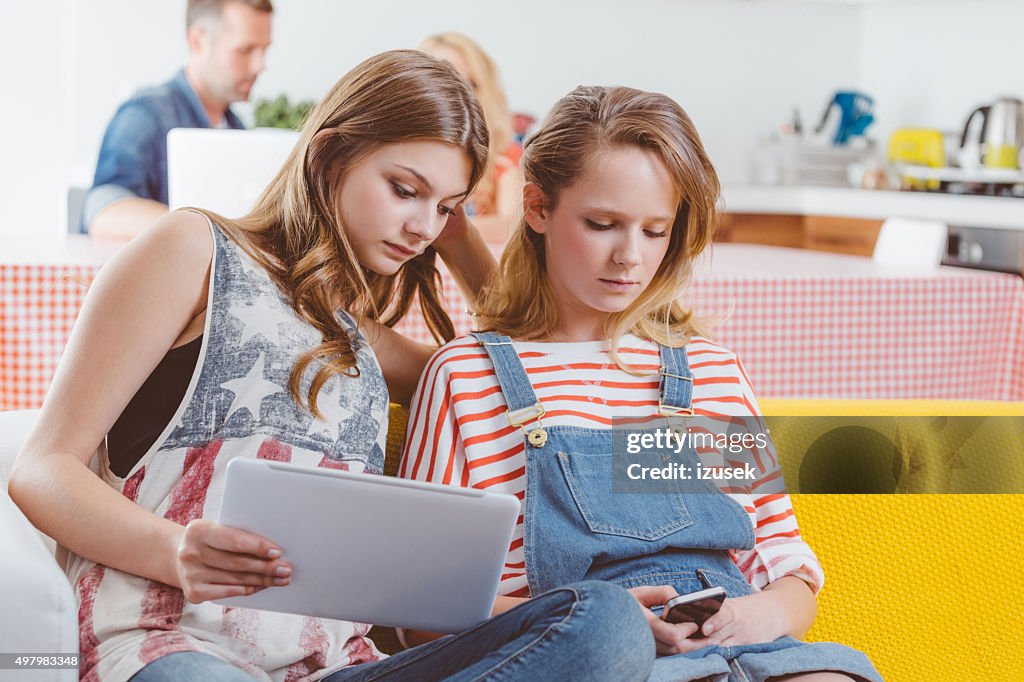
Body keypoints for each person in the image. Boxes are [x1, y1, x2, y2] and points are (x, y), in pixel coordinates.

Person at [9, 52, 656, 682]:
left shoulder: (359, 335)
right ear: (326, 156)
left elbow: (508, 370)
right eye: (405, 189)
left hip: (335, 669)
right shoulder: (194, 251)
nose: (422, 226)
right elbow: (41, 471)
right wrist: (174, 550)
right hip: (171, 646)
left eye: (444, 207)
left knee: (606, 620)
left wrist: (462, 242)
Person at [400, 85, 883, 681]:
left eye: (655, 231)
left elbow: (785, 567)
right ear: (537, 208)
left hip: (744, 650)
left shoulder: (707, 372)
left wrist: (759, 615)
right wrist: (592, 619)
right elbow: (421, 614)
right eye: (603, 223)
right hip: (587, 653)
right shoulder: (466, 377)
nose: (630, 256)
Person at [82, 0, 273, 239]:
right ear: (198, 41)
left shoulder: (237, 129)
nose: (260, 65)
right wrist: (213, 231)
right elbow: (104, 215)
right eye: (245, 50)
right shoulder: (145, 114)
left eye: (265, 50)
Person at [418, 32, 523, 244]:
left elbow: (511, 226)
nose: (460, 94)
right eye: (446, 79)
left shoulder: (506, 155)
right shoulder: (402, 151)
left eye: (472, 85)